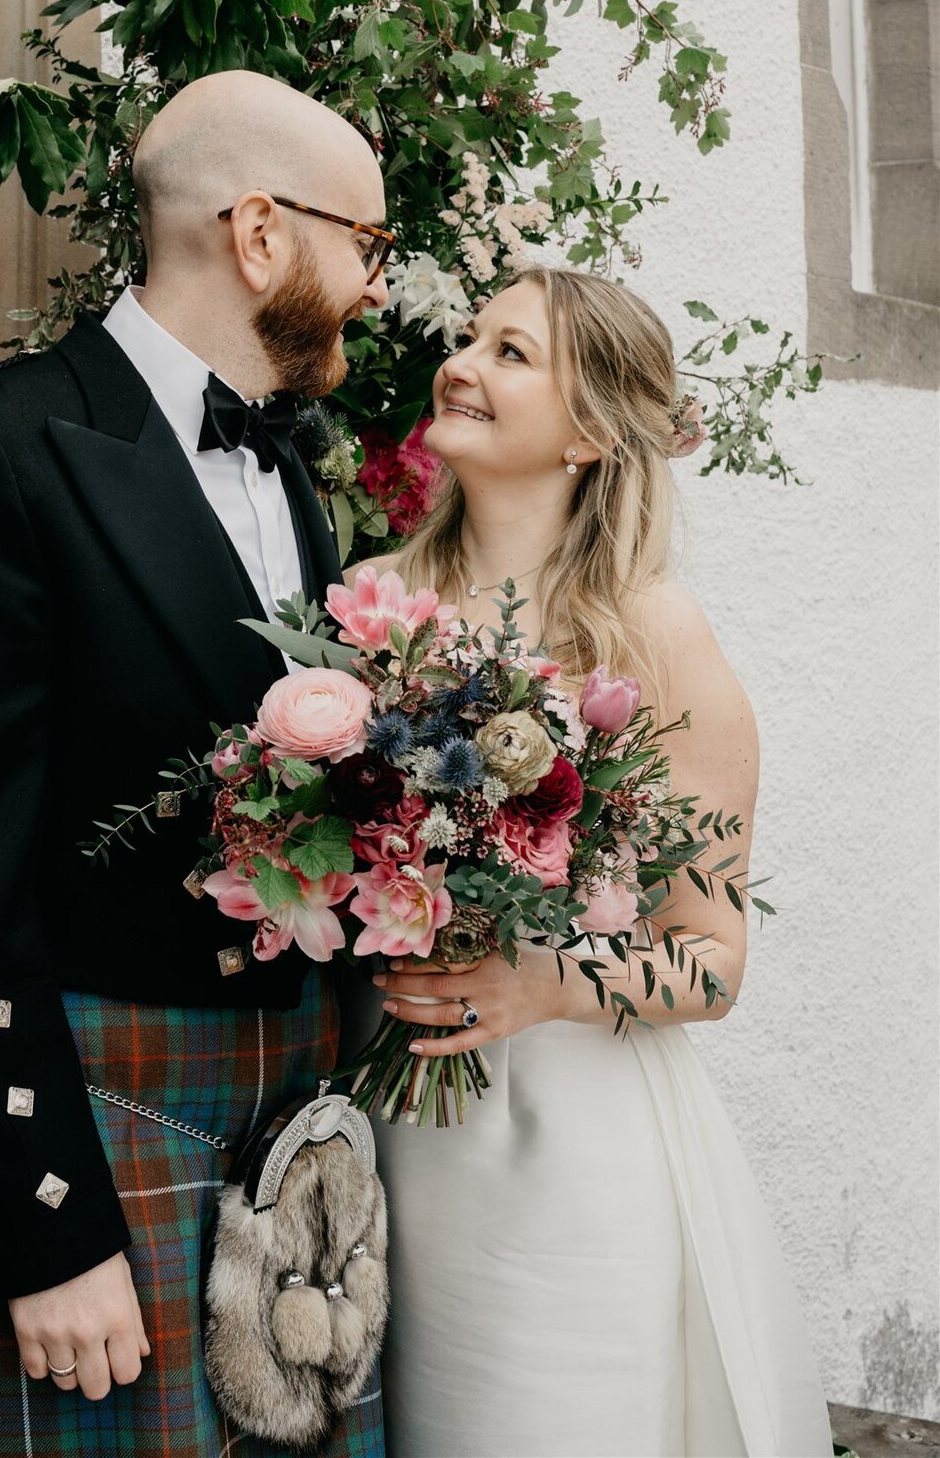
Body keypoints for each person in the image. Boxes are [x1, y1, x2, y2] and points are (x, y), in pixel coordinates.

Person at [0, 69, 391, 1457]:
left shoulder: (292, 470)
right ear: (261, 233)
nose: (377, 288)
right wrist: (46, 1227)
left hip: (298, 1135)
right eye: (368, 247)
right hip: (104, 1110)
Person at [349, 267, 834, 1458]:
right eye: (469, 338)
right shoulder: (373, 608)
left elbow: (712, 965)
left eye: (510, 352)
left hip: (569, 1167)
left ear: (587, 433)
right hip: (386, 1145)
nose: (461, 362)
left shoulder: (655, 637)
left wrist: (550, 984)